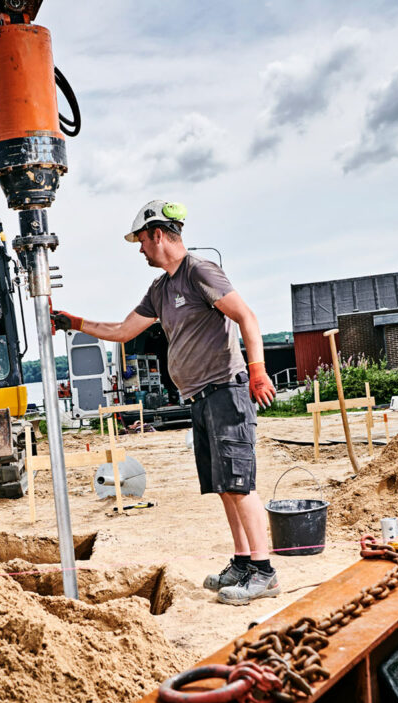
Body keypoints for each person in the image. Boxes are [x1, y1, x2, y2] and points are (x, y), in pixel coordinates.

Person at [50, 200, 278, 605]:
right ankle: (243, 562)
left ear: (158, 234)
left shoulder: (199, 272)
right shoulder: (160, 289)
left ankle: (263, 571)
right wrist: (75, 322)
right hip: (200, 396)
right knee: (224, 486)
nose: (140, 250)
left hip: (227, 388)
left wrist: (258, 370)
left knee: (240, 484)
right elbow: (122, 330)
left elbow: (247, 317)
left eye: (140, 241)